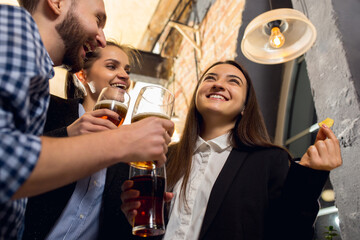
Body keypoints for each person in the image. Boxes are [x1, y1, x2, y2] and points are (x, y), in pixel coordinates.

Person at [0, 1, 173, 239]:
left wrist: (132, 218)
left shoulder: (38, 81)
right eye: (98, 20)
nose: (101, 38)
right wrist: (120, 141)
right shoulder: (12, 29)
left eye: (127, 71)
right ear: (57, 2)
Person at [120, 60, 342, 240]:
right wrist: (130, 214)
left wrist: (310, 176)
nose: (218, 85)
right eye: (210, 78)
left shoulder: (270, 160)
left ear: (246, 106)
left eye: (233, 81)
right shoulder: (164, 157)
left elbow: (291, 233)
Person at [23, 40, 137, 239]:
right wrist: (67, 135)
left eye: (127, 70)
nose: (125, 76)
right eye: (112, 66)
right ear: (83, 76)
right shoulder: (49, 109)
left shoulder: (125, 154)